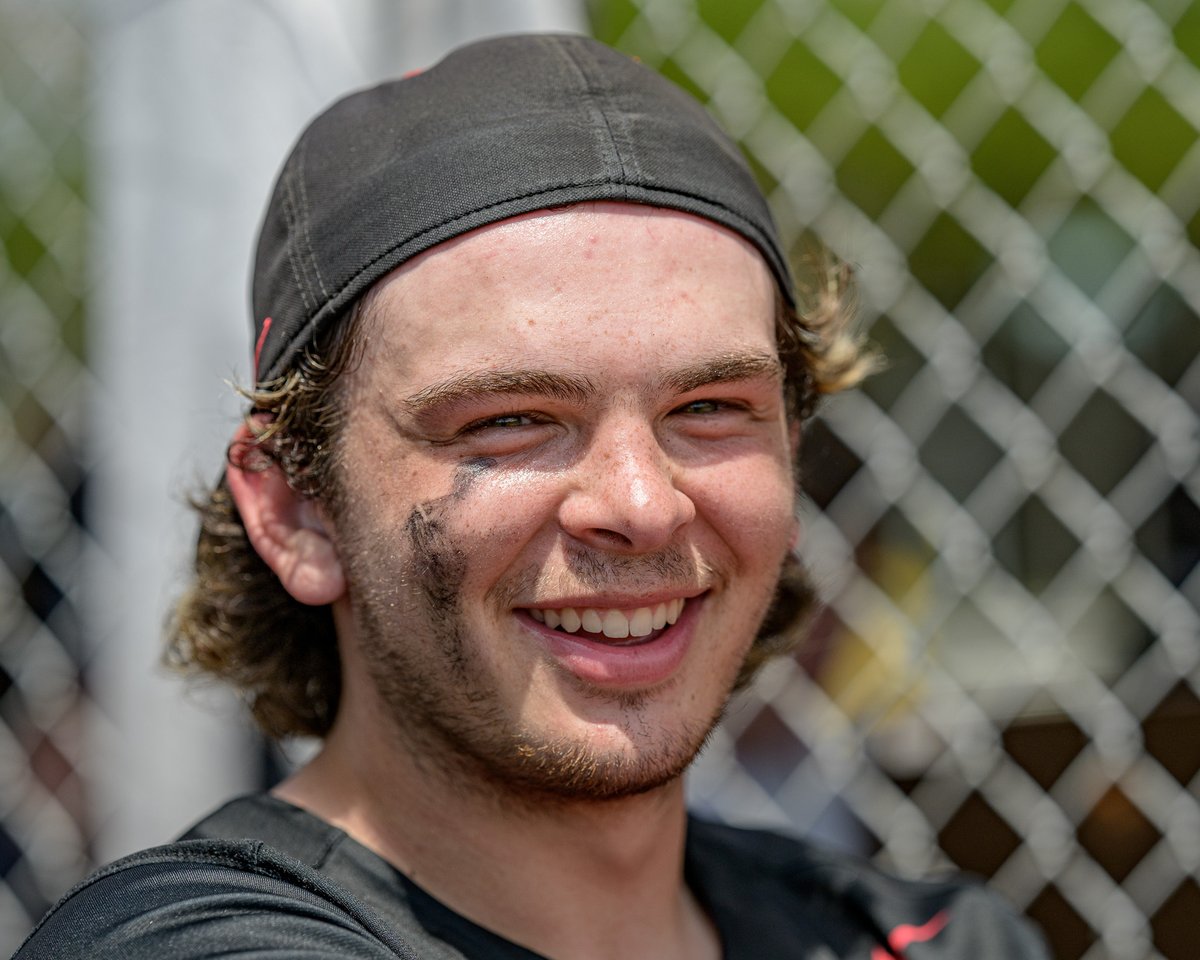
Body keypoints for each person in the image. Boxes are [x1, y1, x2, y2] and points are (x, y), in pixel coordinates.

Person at [16, 33, 1047, 960]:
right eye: (511, 421)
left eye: (711, 408)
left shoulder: (927, 938)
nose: (643, 504)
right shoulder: (190, 945)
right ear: (295, 510)